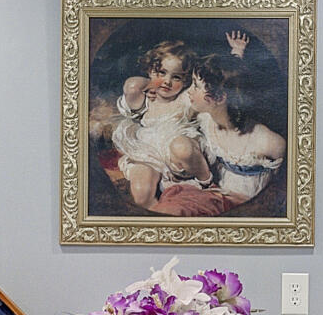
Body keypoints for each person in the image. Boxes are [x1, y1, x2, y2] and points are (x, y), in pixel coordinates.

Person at [107, 39, 218, 210]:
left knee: (182, 147)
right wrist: (150, 84)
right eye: (161, 72)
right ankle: (160, 223)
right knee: (141, 194)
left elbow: (214, 79)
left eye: (176, 77)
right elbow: (131, 86)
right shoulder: (143, 101)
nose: (167, 81)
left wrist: (236, 55)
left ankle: (208, 182)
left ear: (186, 80)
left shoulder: (184, 99)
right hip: (148, 156)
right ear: (150, 70)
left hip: (178, 159)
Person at [195, 56, 287, 207]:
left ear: (219, 98)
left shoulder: (270, 142)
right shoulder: (205, 120)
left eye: (195, 86)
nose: (189, 91)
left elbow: (278, 192)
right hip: (216, 197)